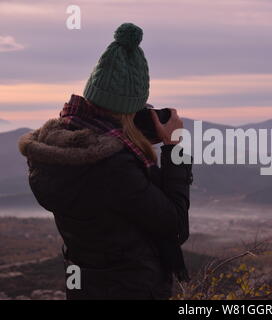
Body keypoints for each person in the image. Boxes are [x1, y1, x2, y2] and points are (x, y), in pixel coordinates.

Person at [18, 23, 192, 300]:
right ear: (130, 111)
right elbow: (175, 227)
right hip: (131, 289)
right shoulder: (115, 167)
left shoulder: (53, 153)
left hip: (84, 286)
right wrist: (174, 148)